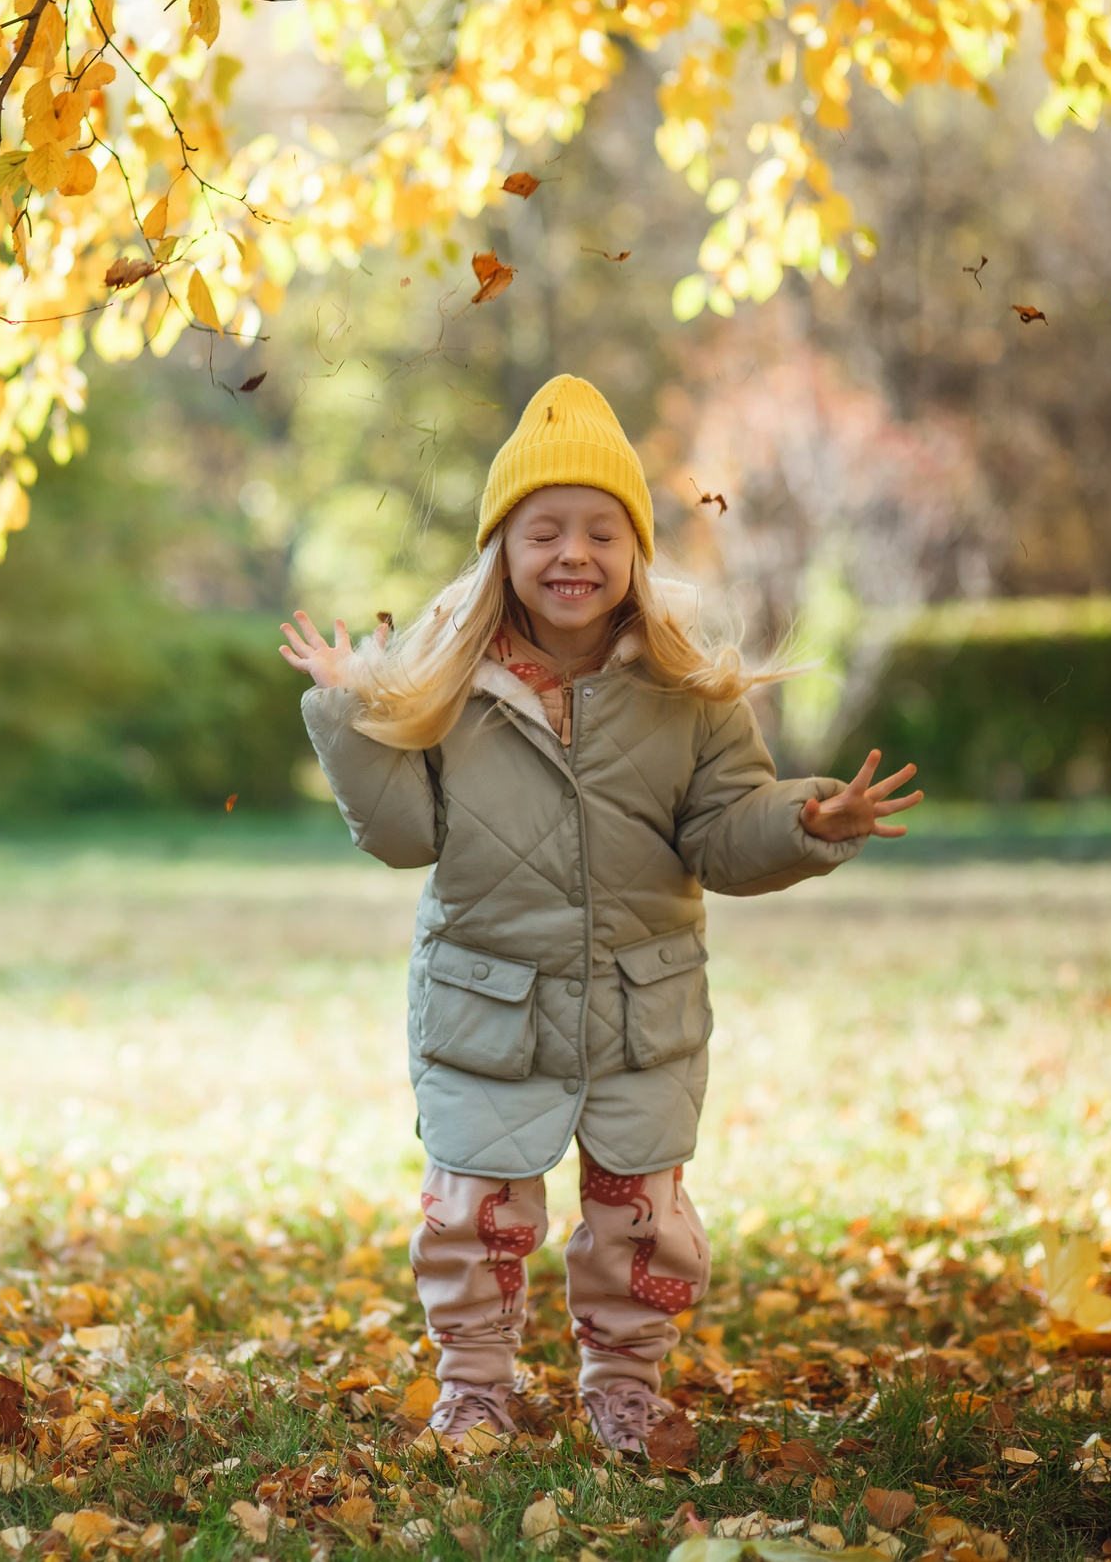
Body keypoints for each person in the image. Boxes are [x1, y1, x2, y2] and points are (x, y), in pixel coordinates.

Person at [279, 374, 920, 1455]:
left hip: (639, 1009)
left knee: (641, 1221)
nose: (572, 554)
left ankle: (622, 1384)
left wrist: (807, 817)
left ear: (633, 554)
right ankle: (475, 1386)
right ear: (502, 552)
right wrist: (352, 711)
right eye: (543, 532)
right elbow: (401, 839)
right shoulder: (446, 688)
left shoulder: (689, 694)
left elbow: (723, 832)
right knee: (470, 1218)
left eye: (599, 533)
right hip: (489, 1006)